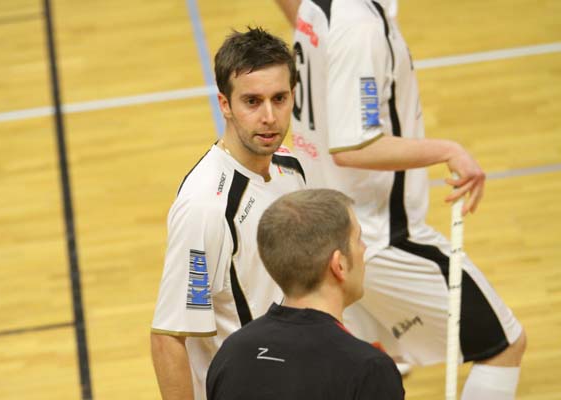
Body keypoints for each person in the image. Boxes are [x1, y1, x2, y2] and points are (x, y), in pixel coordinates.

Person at [275, 0, 527, 398]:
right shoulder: (359, 28)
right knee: (504, 343)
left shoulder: (320, 8)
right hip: (378, 237)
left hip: (326, 222)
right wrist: (448, 150)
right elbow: (353, 147)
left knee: (367, 361)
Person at [150, 27, 306, 400]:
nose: (269, 116)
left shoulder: (290, 167)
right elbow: (168, 337)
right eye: (252, 101)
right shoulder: (206, 207)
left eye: (279, 98)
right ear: (225, 104)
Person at [207, 189, 405, 400]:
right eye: (358, 239)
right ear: (339, 265)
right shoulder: (369, 369)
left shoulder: (232, 352)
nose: (364, 248)